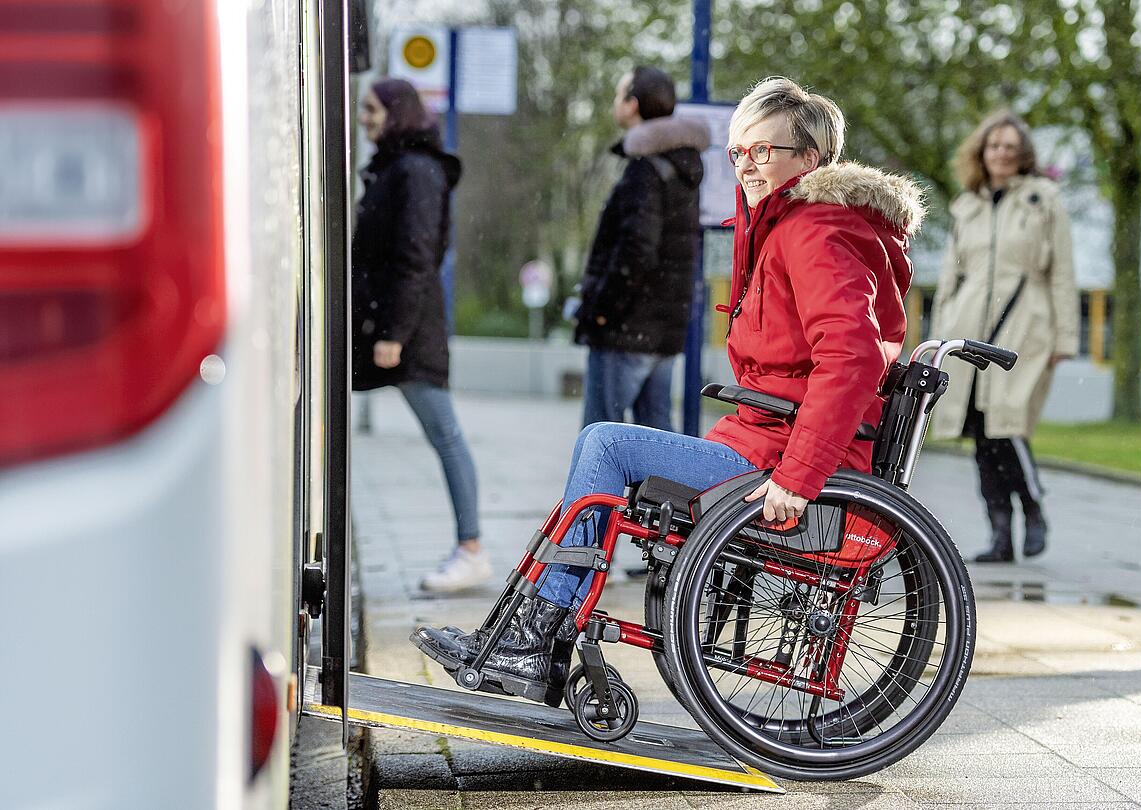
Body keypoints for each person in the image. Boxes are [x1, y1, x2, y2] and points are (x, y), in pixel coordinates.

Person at [412, 76, 924, 706]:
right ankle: (532, 637)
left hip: (785, 458)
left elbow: (851, 355)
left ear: (810, 159)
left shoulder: (814, 230)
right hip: (766, 441)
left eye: (765, 150)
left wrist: (798, 477)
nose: (748, 164)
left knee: (606, 445)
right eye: (739, 152)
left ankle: (538, 639)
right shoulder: (786, 226)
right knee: (601, 458)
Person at [352, 78, 492, 592]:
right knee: (444, 436)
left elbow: (414, 258)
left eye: (371, 110)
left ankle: (472, 548)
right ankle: (470, 547)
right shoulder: (398, 168)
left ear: (397, 113)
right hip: (390, 322)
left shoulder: (415, 172)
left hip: (404, 328)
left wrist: (393, 332)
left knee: (446, 436)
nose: (364, 118)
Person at [928, 111, 1078, 563]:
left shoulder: (1043, 199)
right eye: (995, 145)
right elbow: (950, 278)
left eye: (1011, 146)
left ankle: (1033, 511)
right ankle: (999, 535)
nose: (1002, 153)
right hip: (970, 330)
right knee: (982, 437)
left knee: (1008, 427)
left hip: (1026, 328)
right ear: (982, 151)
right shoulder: (966, 206)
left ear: (1023, 153)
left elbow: (1063, 273)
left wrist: (1064, 339)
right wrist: (939, 340)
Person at [573, 66, 710, 431]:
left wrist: (601, 310)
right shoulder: (683, 167)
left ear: (632, 104)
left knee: (600, 439)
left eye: (619, 95)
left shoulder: (645, 170)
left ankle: (595, 493)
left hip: (625, 329)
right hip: (663, 330)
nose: (616, 103)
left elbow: (637, 250)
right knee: (655, 446)